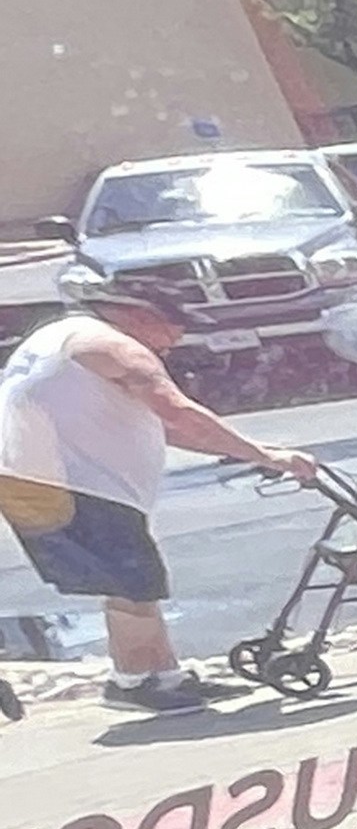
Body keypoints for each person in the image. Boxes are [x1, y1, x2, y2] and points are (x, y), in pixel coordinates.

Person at [0, 269, 325, 714]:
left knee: (136, 578)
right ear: (137, 315)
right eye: (172, 326)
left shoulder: (62, 337)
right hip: (69, 481)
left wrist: (255, 451)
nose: (174, 339)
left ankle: (164, 677)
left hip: (42, 478)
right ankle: (131, 684)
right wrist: (267, 456)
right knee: (132, 581)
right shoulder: (113, 345)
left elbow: (159, 427)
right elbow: (175, 413)